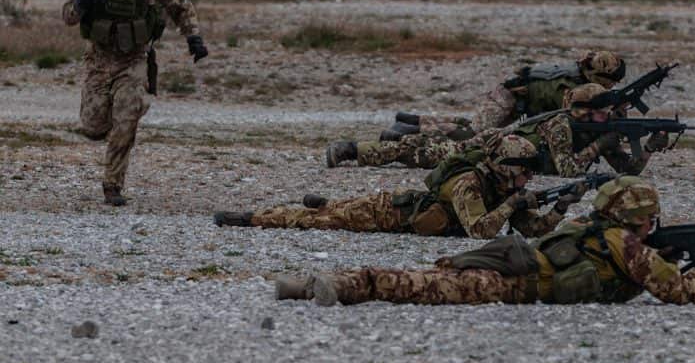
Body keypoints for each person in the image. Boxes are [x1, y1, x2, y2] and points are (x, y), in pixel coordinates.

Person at [273, 176, 695, 306]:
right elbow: (678, 292)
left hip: (509, 262)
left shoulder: (598, 230)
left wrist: (666, 254)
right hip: (513, 283)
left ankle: (313, 283)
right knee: (418, 286)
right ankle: (338, 284)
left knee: (429, 278)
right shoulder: (626, 245)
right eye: (648, 220)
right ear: (637, 218)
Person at [62, 0, 208, 206]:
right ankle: (111, 123)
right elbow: (68, 17)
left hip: (134, 62)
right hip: (99, 62)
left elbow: (181, 6)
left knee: (126, 118)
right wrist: (83, 0)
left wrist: (194, 38)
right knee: (92, 126)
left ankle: (112, 186)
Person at [213, 135, 583, 240]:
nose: (530, 179)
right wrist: (514, 203)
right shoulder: (471, 184)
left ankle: (325, 201)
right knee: (319, 221)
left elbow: (531, 229)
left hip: (402, 213)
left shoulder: (503, 189)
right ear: (506, 168)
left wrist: (560, 209)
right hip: (390, 214)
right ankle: (254, 218)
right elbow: (479, 231)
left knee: (333, 210)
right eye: (525, 172)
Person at [326, 83, 668, 177]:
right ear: (583, 111)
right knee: (420, 154)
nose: (606, 118)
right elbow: (567, 170)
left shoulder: (596, 131)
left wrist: (650, 146)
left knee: (425, 148)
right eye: (601, 113)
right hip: (492, 148)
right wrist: (600, 145)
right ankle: (352, 150)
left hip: (508, 159)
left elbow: (629, 171)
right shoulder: (562, 124)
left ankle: (401, 133)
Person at [381, 50, 627, 141]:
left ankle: (412, 120)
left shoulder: (577, 76)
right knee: (473, 135)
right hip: (509, 96)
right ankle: (407, 131)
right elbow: (570, 115)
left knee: (473, 126)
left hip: (518, 98)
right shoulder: (571, 87)